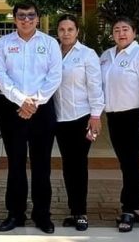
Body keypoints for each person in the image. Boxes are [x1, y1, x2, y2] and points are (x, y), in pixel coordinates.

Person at [0, 1, 62, 234]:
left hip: (42, 111)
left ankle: (42, 215)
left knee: (42, 166)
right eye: (21, 16)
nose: (26, 19)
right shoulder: (3, 43)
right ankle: (15, 214)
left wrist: (35, 101)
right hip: (13, 110)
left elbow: (54, 76)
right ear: (14, 19)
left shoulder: (50, 43)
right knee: (16, 164)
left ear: (38, 18)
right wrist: (21, 100)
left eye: (31, 15)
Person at [99, 16, 139, 232]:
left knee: (130, 163)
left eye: (125, 29)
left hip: (134, 117)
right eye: (116, 29)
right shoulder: (106, 56)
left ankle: (128, 209)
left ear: (134, 32)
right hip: (114, 117)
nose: (121, 33)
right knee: (126, 163)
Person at [52, 14, 103, 232]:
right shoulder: (53, 53)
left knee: (78, 165)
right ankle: (73, 210)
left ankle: (81, 212)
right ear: (57, 32)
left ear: (77, 31)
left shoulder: (87, 54)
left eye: (70, 29)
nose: (66, 33)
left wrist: (96, 115)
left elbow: (95, 85)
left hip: (82, 117)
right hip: (59, 118)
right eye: (62, 29)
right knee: (67, 165)